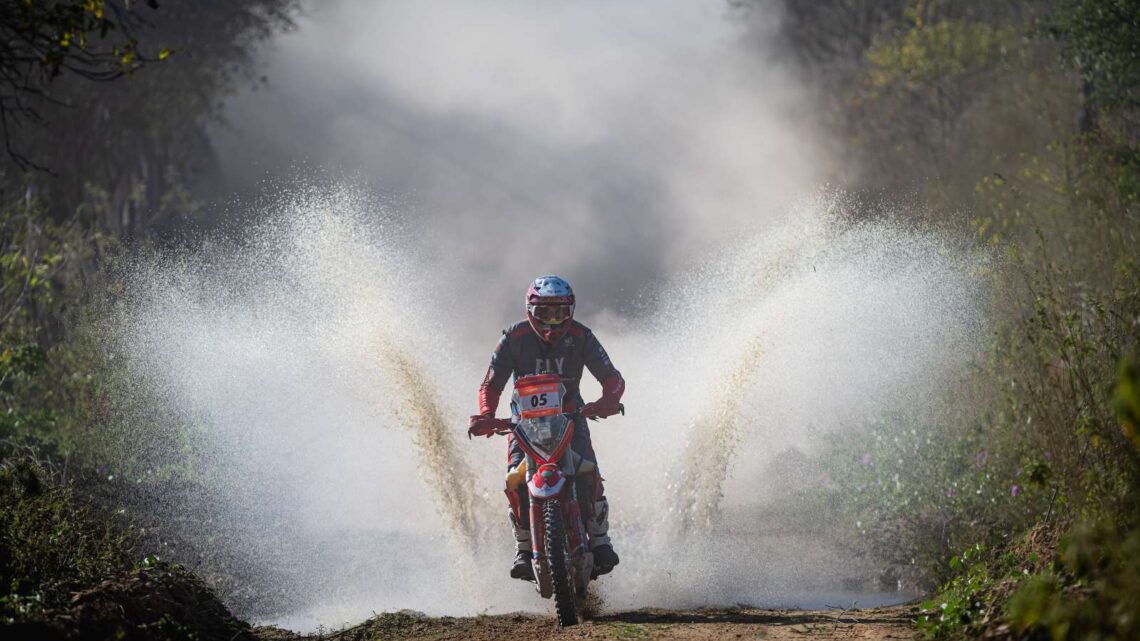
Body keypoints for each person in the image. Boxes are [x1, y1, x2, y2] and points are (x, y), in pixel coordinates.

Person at [468, 275, 625, 581]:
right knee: (514, 479)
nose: (553, 322)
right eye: (545, 313)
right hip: (523, 425)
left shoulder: (582, 337)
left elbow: (612, 376)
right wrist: (487, 414)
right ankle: (524, 549)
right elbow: (491, 384)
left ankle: (601, 540)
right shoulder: (513, 338)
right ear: (530, 309)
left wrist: (608, 400)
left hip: (571, 418)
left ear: (571, 311)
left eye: (560, 313)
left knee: (588, 469)